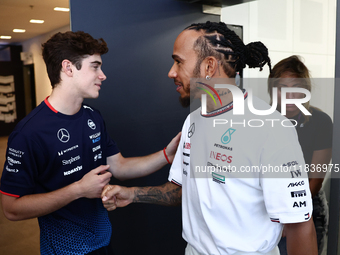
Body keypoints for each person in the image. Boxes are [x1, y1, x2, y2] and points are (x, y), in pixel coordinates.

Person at [101, 21, 317, 255]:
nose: (171, 72)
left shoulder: (272, 128)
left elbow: (300, 225)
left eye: (178, 61)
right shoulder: (193, 121)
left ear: (209, 66)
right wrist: (132, 194)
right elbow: (184, 190)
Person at [0, 31, 180, 255]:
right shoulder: (28, 133)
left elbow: (119, 167)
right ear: (68, 68)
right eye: (95, 66)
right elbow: (11, 209)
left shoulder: (92, 116)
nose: (102, 75)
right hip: (65, 250)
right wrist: (78, 190)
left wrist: (166, 155)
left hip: (103, 242)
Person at [268, 55, 333, 255]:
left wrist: (290, 217)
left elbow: (315, 180)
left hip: (306, 206)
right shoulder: (260, 121)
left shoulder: (320, 122)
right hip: (269, 206)